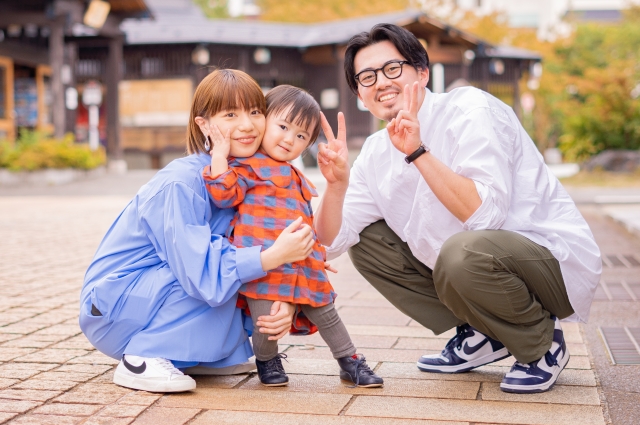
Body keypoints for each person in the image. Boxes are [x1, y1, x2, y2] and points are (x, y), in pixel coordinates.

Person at [315, 24, 602, 394]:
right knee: (367, 243)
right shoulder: (373, 151)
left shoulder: (470, 109)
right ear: (359, 94)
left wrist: (418, 152)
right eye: (366, 77)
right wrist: (336, 187)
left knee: (460, 251)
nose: (380, 82)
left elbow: (486, 215)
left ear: (422, 71)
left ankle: (541, 345)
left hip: (548, 262)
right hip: (475, 266)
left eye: (392, 68)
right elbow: (330, 242)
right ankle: (485, 333)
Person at [79, 69, 316, 393]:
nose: (247, 125)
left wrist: (286, 302)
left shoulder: (243, 178)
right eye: (231, 114)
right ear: (204, 124)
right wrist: (272, 257)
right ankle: (144, 356)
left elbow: (307, 244)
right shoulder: (182, 182)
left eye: (255, 112)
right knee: (222, 267)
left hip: (151, 294)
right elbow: (197, 268)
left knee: (241, 266)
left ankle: (189, 351)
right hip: (115, 307)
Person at [200, 85, 383, 388]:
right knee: (267, 320)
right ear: (264, 121)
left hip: (302, 263)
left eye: (301, 136)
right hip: (263, 261)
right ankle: (266, 359)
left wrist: (318, 255)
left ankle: (349, 360)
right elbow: (223, 193)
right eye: (283, 126)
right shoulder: (246, 165)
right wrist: (219, 154)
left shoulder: (296, 175)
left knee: (326, 309)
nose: (289, 139)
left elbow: (306, 222)